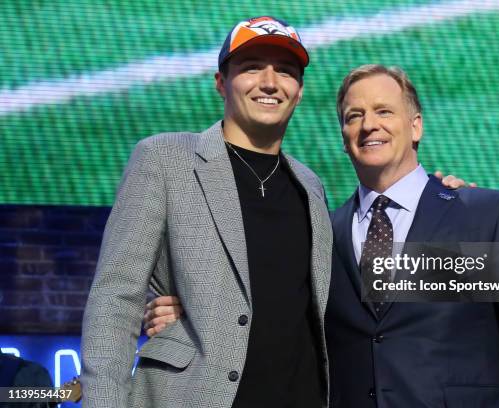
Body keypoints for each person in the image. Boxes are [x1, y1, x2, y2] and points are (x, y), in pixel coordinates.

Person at [147, 65, 499, 407]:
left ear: (415, 126)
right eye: (354, 116)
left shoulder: (486, 213)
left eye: (384, 111)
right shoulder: (320, 231)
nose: (369, 125)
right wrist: (191, 313)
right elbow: (277, 316)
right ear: (344, 140)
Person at [81, 16, 332, 408]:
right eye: (252, 68)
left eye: (285, 71)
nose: (270, 82)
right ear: (221, 83)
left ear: (297, 91)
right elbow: (116, 297)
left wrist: (451, 199)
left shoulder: (311, 185)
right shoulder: (163, 158)